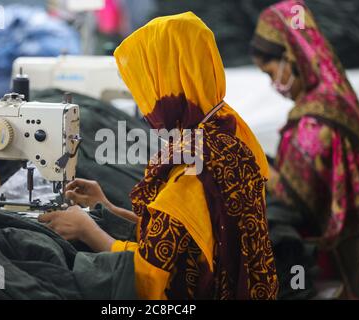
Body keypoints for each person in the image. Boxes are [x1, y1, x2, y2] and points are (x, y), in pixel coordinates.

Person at [39, 12, 278, 300]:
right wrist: (109, 209)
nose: (145, 101)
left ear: (168, 81)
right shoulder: (227, 128)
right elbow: (180, 237)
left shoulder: (192, 166)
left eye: (149, 85)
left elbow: (148, 277)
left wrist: (87, 230)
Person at [250, 0, 359, 299]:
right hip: (350, 249)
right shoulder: (339, 94)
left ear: (291, 55)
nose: (274, 84)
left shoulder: (313, 123)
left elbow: (292, 198)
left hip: (317, 260)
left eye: (270, 72)